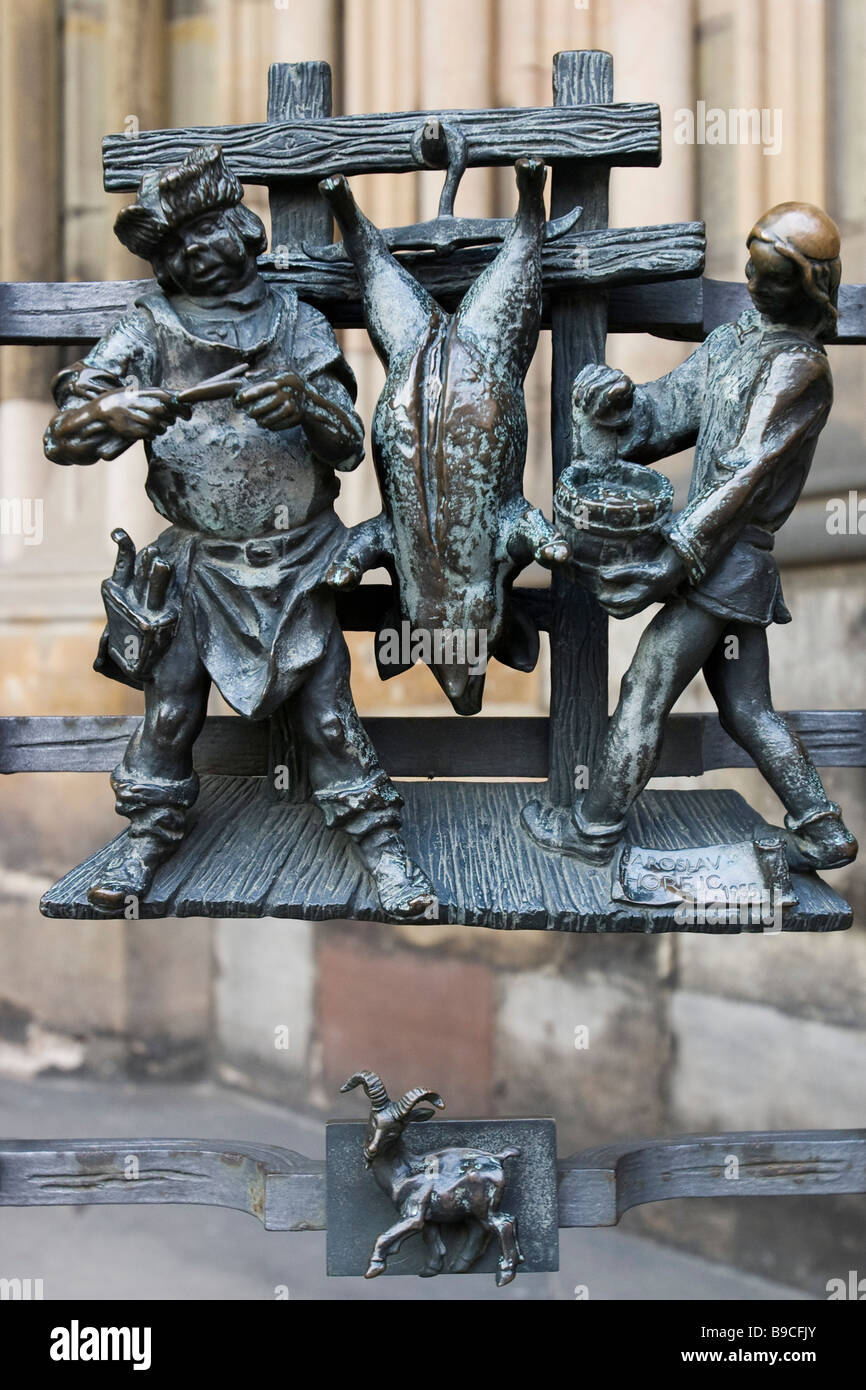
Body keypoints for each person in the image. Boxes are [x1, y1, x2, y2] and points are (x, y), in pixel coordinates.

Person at [44, 144, 435, 919]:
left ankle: (381, 847)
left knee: (328, 716)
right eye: (175, 250)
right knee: (171, 710)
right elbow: (66, 433)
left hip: (299, 560)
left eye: (206, 234)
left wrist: (305, 406)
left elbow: (350, 444)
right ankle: (149, 834)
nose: (196, 257)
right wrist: (110, 413)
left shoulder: (298, 323)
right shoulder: (148, 329)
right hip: (195, 565)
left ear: (242, 228)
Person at [523, 202, 857, 873]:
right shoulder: (736, 342)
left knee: (647, 684)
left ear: (810, 287)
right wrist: (619, 403)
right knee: (749, 711)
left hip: (725, 563)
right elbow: (667, 410)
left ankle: (594, 829)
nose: (757, 288)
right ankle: (824, 834)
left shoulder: (799, 369)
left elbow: (745, 474)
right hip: (719, 565)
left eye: (774, 279)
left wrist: (674, 559)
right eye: (754, 272)